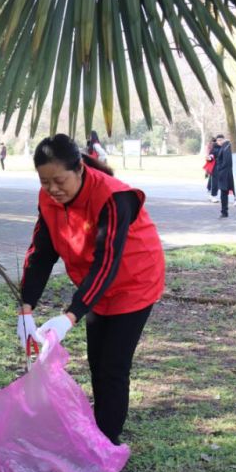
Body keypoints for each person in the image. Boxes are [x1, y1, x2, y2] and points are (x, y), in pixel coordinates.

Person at [16, 134, 165, 446]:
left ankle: (106, 445)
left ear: (80, 168)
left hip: (134, 280)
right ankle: (100, 429)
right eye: (44, 182)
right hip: (94, 285)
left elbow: (107, 262)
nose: (52, 189)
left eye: (59, 180)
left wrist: (70, 315)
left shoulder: (114, 198)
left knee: (113, 366)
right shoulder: (48, 199)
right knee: (97, 360)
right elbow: (41, 253)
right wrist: (26, 308)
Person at [211, 133, 236, 218]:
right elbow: (219, 158)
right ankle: (224, 212)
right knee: (223, 193)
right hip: (224, 173)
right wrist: (220, 168)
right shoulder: (225, 144)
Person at [203, 136, 217, 202]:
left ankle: (209, 190)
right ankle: (210, 191)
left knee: (211, 177)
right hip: (212, 162)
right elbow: (208, 155)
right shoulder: (211, 146)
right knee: (212, 178)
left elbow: (207, 155)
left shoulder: (209, 145)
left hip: (211, 162)